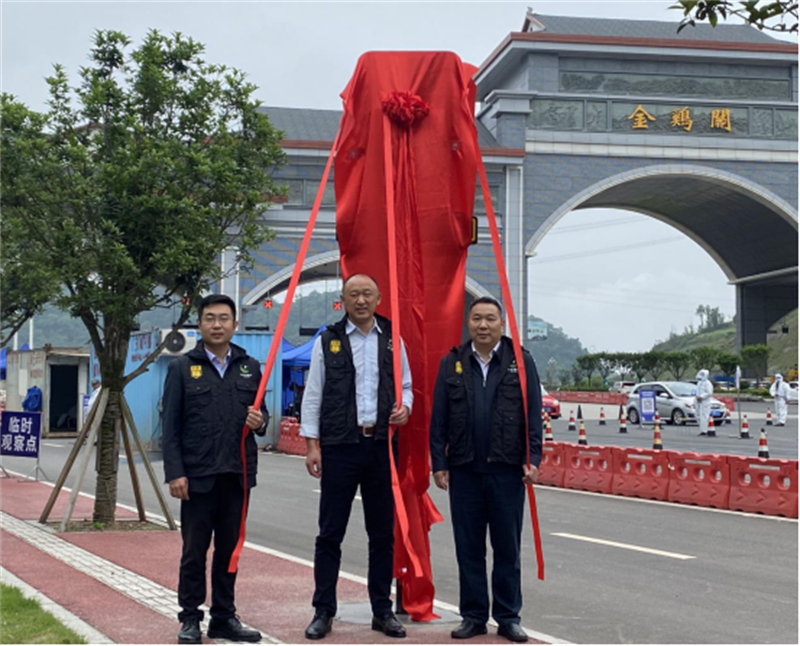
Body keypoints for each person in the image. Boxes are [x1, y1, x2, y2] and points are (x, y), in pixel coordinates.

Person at [301, 274, 412, 640]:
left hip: (381, 446)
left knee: (381, 534)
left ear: (378, 298)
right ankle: (323, 610)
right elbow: (313, 394)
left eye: (367, 294)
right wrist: (312, 445)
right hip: (339, 447)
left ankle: (382, 610)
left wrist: (406, 407)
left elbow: (406, 385)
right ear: (343, 300)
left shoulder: (393, 339)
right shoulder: (328, 340)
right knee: (330, 533)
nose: (360, 300)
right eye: (353, 295)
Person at [430, 297, 542, 643]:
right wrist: (439, 463)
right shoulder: (452, 362)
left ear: (501, 324)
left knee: (507, 549)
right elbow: (439, 418)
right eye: (477, 318)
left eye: (490, 319)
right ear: (468, 323)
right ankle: (474, 616)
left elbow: (533, 415)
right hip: (464, 470)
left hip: (507, 471)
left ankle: (508, 617)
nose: (483, 325)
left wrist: (533, 459)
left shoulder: (520, 362)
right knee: (469, 549)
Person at [162, 294, 269, 645]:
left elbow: (262, 415)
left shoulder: (249, 366)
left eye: (224, 318)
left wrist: (260, 422)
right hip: (197, 477)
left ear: (235, 325)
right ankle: (190, 618)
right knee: (194, 552)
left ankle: (224, 617)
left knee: (229, 551)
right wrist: (175, 473)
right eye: (210, 318)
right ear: (200, 324)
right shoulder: (182, 368)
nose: (217, 325)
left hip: (237, 475)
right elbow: (170, 428)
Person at [695, 369, 714, 436]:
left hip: (705, 402)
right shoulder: (699, 383)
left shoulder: (708, 383)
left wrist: (701, 397)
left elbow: (709, 393)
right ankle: (702, 429)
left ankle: (705, 430)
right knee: (698, 415)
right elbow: (697, 392)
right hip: (698, 401)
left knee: (704, 416)